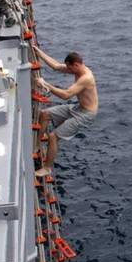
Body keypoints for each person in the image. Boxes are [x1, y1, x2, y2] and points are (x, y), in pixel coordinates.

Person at [32, 48, 98, 177]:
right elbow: (56, 66)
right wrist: (39, 52)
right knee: (45, 114)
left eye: (70, 68)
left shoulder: (86, 78)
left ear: (76, 65)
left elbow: (66, 95)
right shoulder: (78, 69)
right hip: (78, 107)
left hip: (86, 115)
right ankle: (37, 146)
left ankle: (47, 168)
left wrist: (46, 85)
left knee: (53, 136)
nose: (69, 70)